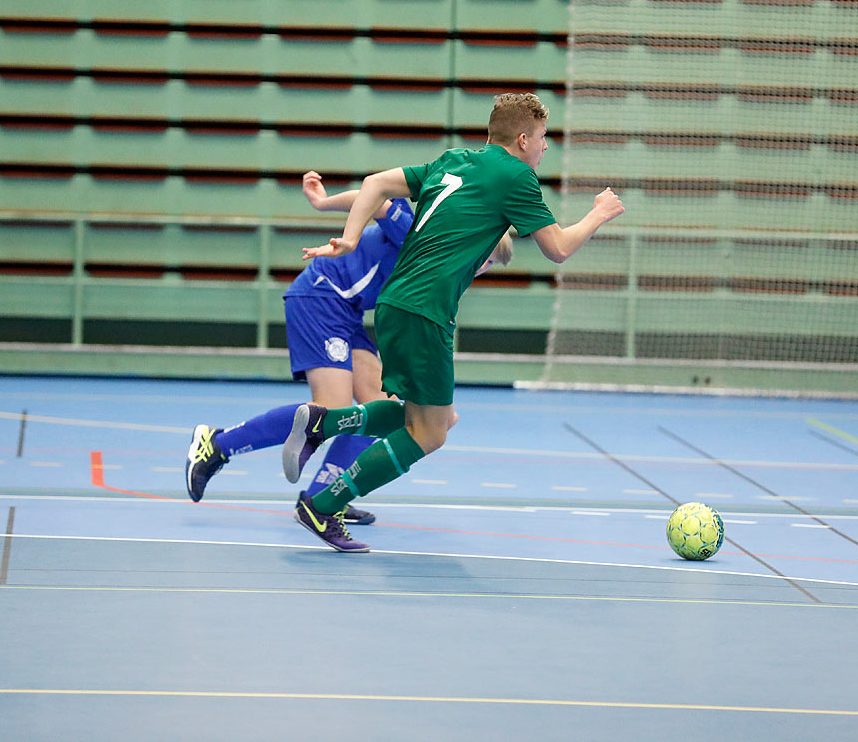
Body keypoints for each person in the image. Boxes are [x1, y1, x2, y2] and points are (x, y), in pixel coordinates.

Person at [282, 92, 624, 552]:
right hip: (426, 311)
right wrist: (599, 213)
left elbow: (375, 183)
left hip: (395, 304)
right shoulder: (517, 177)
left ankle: (324, 426)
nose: (546, 148)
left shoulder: (453, 160)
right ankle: (323, 503)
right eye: (543, 138)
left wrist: (347, 236)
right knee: (431, 432)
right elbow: (558, 248)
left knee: (429, 416)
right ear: (523, 139)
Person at [185, 170, 513, 521]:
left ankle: (320, 499)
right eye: (486, 256)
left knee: (380, 407)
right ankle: (217, 444)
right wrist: (324, 203)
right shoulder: (423, 233)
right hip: (322, 296)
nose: (481, 266)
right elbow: (372, 197)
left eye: (489, 263)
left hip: (349, 311)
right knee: (331, 407)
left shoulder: (448, 265)